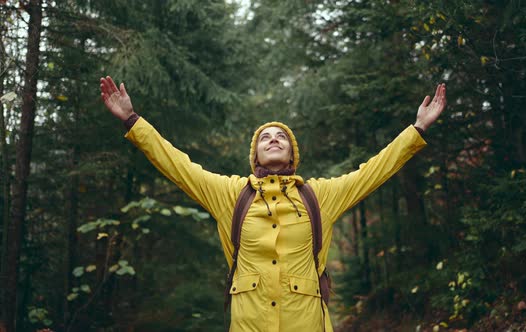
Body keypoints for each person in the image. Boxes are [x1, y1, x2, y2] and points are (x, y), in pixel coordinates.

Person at [99, 76, 446, 332]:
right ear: (255, 155)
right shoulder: (230, 193)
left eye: (281, 136)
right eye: (265, 137)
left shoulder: (320, 196)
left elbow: (374, 170)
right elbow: (176, 165)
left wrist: (417, 130)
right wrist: (133, 121)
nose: (274, 139)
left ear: (293, 153)